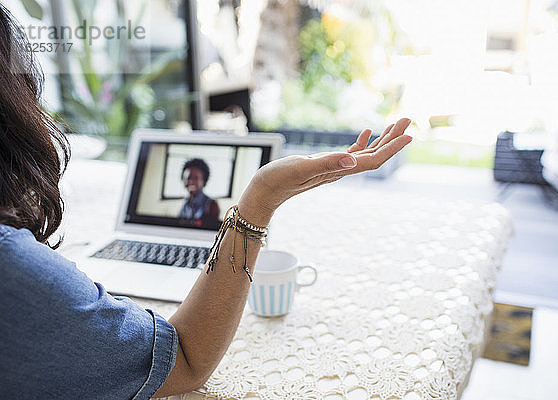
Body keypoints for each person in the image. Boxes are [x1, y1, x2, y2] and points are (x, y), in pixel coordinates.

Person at [0, 4, 412, 399]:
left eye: (197, 178)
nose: (192, 183)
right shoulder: (12, 265)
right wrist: (260, 200)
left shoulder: (210, 210)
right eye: (188, 178)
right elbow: (185, 358)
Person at [178, 158, 220, 222]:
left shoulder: (212, 205)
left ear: (204, 181)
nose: (191, 181)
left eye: (195, 178)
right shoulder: (186, 203)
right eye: (188, 178)